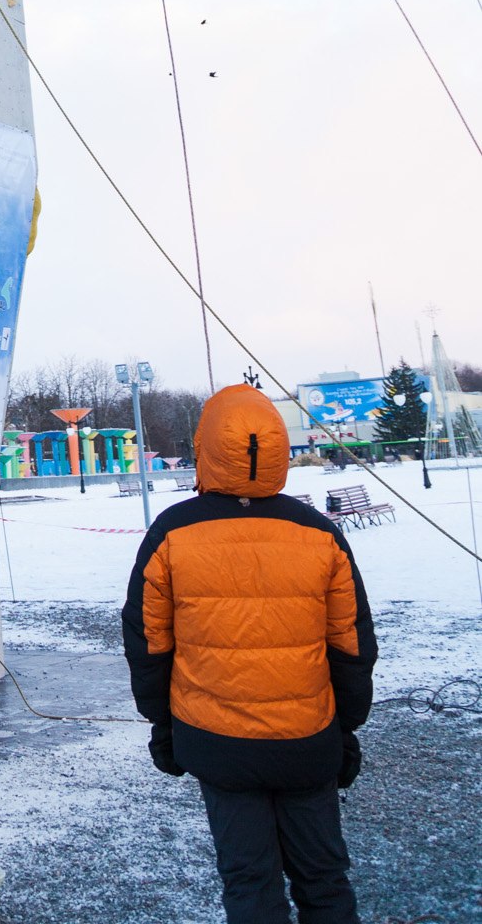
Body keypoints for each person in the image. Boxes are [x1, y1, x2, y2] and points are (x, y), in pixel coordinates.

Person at [122, 384, 376, 924]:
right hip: (307, 739)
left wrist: (162, 724)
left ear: (207, 446)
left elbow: (147, 642)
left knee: (248, 880)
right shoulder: (318, 533)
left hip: (216, 741)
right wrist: (345, 726)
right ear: (278, 448)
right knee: (324, 878)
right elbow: (352, 644)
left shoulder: (173, 531)